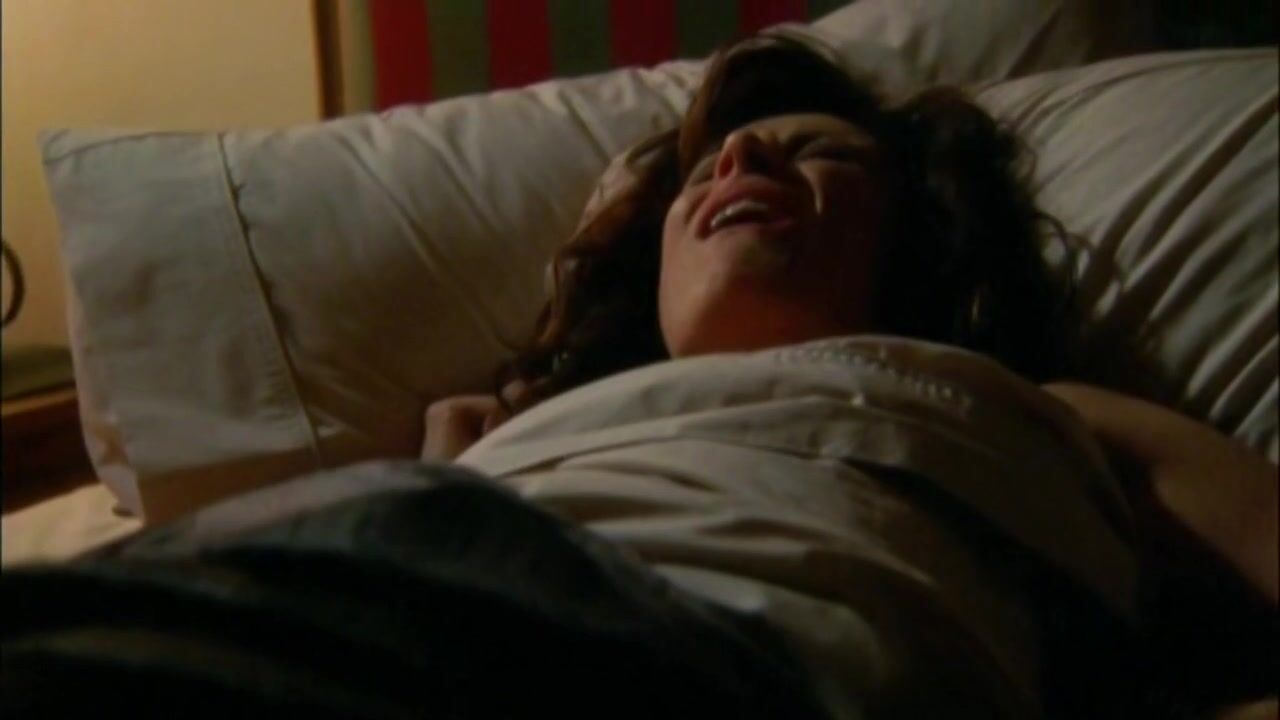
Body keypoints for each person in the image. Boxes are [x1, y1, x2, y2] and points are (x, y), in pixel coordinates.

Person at [421, 34, 1277, 718]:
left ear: (921, 235)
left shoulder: (1034, 413)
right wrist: (449, 478)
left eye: (816, 150)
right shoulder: (535, 427)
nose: (740, 153)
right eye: (703, 174)